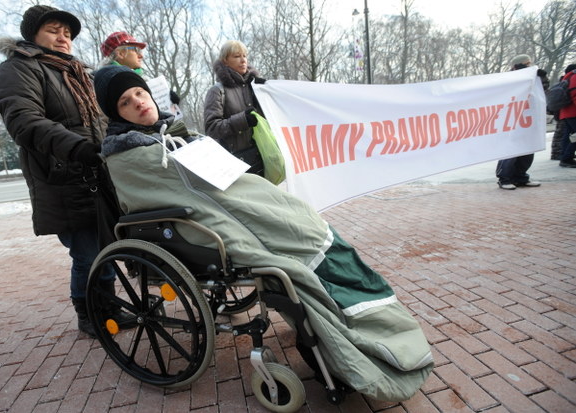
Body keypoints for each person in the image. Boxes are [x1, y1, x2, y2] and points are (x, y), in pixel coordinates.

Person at [92, 65, 433, 402]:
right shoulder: (127, 155)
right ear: (116, 114)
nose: (138, 102)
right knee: (288, 261)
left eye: (139, 92)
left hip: (229, 203)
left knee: (307, 225)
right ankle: (344, 340)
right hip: (199, 223)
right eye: (125, 102)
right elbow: (178, 193)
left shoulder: (176, 134)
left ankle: (355, 308)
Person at [0, 5, 130, 337]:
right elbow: (24, 121)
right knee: (87, 253)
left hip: (98, 173)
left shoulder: (78, 72)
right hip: (64, 175)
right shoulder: (18, 68)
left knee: (105, 248)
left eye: (67, 33)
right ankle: (89, 315)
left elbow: (103, 120)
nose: (63, 37)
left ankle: (107, 308)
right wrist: (77, 148)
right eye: (54, 30)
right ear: (33, 35)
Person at [203, 40, 266, 176]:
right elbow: (211, 128)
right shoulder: (217, 91)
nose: (243, 60)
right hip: (236, 164)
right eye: (237, 56)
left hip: (263, 158)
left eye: (244, 56)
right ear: (225, 60)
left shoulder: (256, 87)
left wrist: (267, 92)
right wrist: (243, 120)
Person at [495, 54, 546, 190]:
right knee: (511, 150)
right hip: (512, 120)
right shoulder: (509, 79)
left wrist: (542, 79)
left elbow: (543, 93)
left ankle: (520, 177)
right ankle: (504, 178)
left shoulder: (534, 77)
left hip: (528, 119)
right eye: (527, 63)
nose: (530, 65)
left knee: (527, 149)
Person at [99, 31, 180, 109]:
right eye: (136, 50)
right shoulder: (103, 87)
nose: (141, 55)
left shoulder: (143, 81)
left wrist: (165, 100)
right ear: (120, 54)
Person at [557, 63, 576, 168]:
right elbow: (575, 94)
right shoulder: (574, 76)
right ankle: (566, 158)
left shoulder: (566, 78)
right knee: (574, 136)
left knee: (568, 135)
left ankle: (565, 157)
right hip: (573, 111)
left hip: (566, 112)